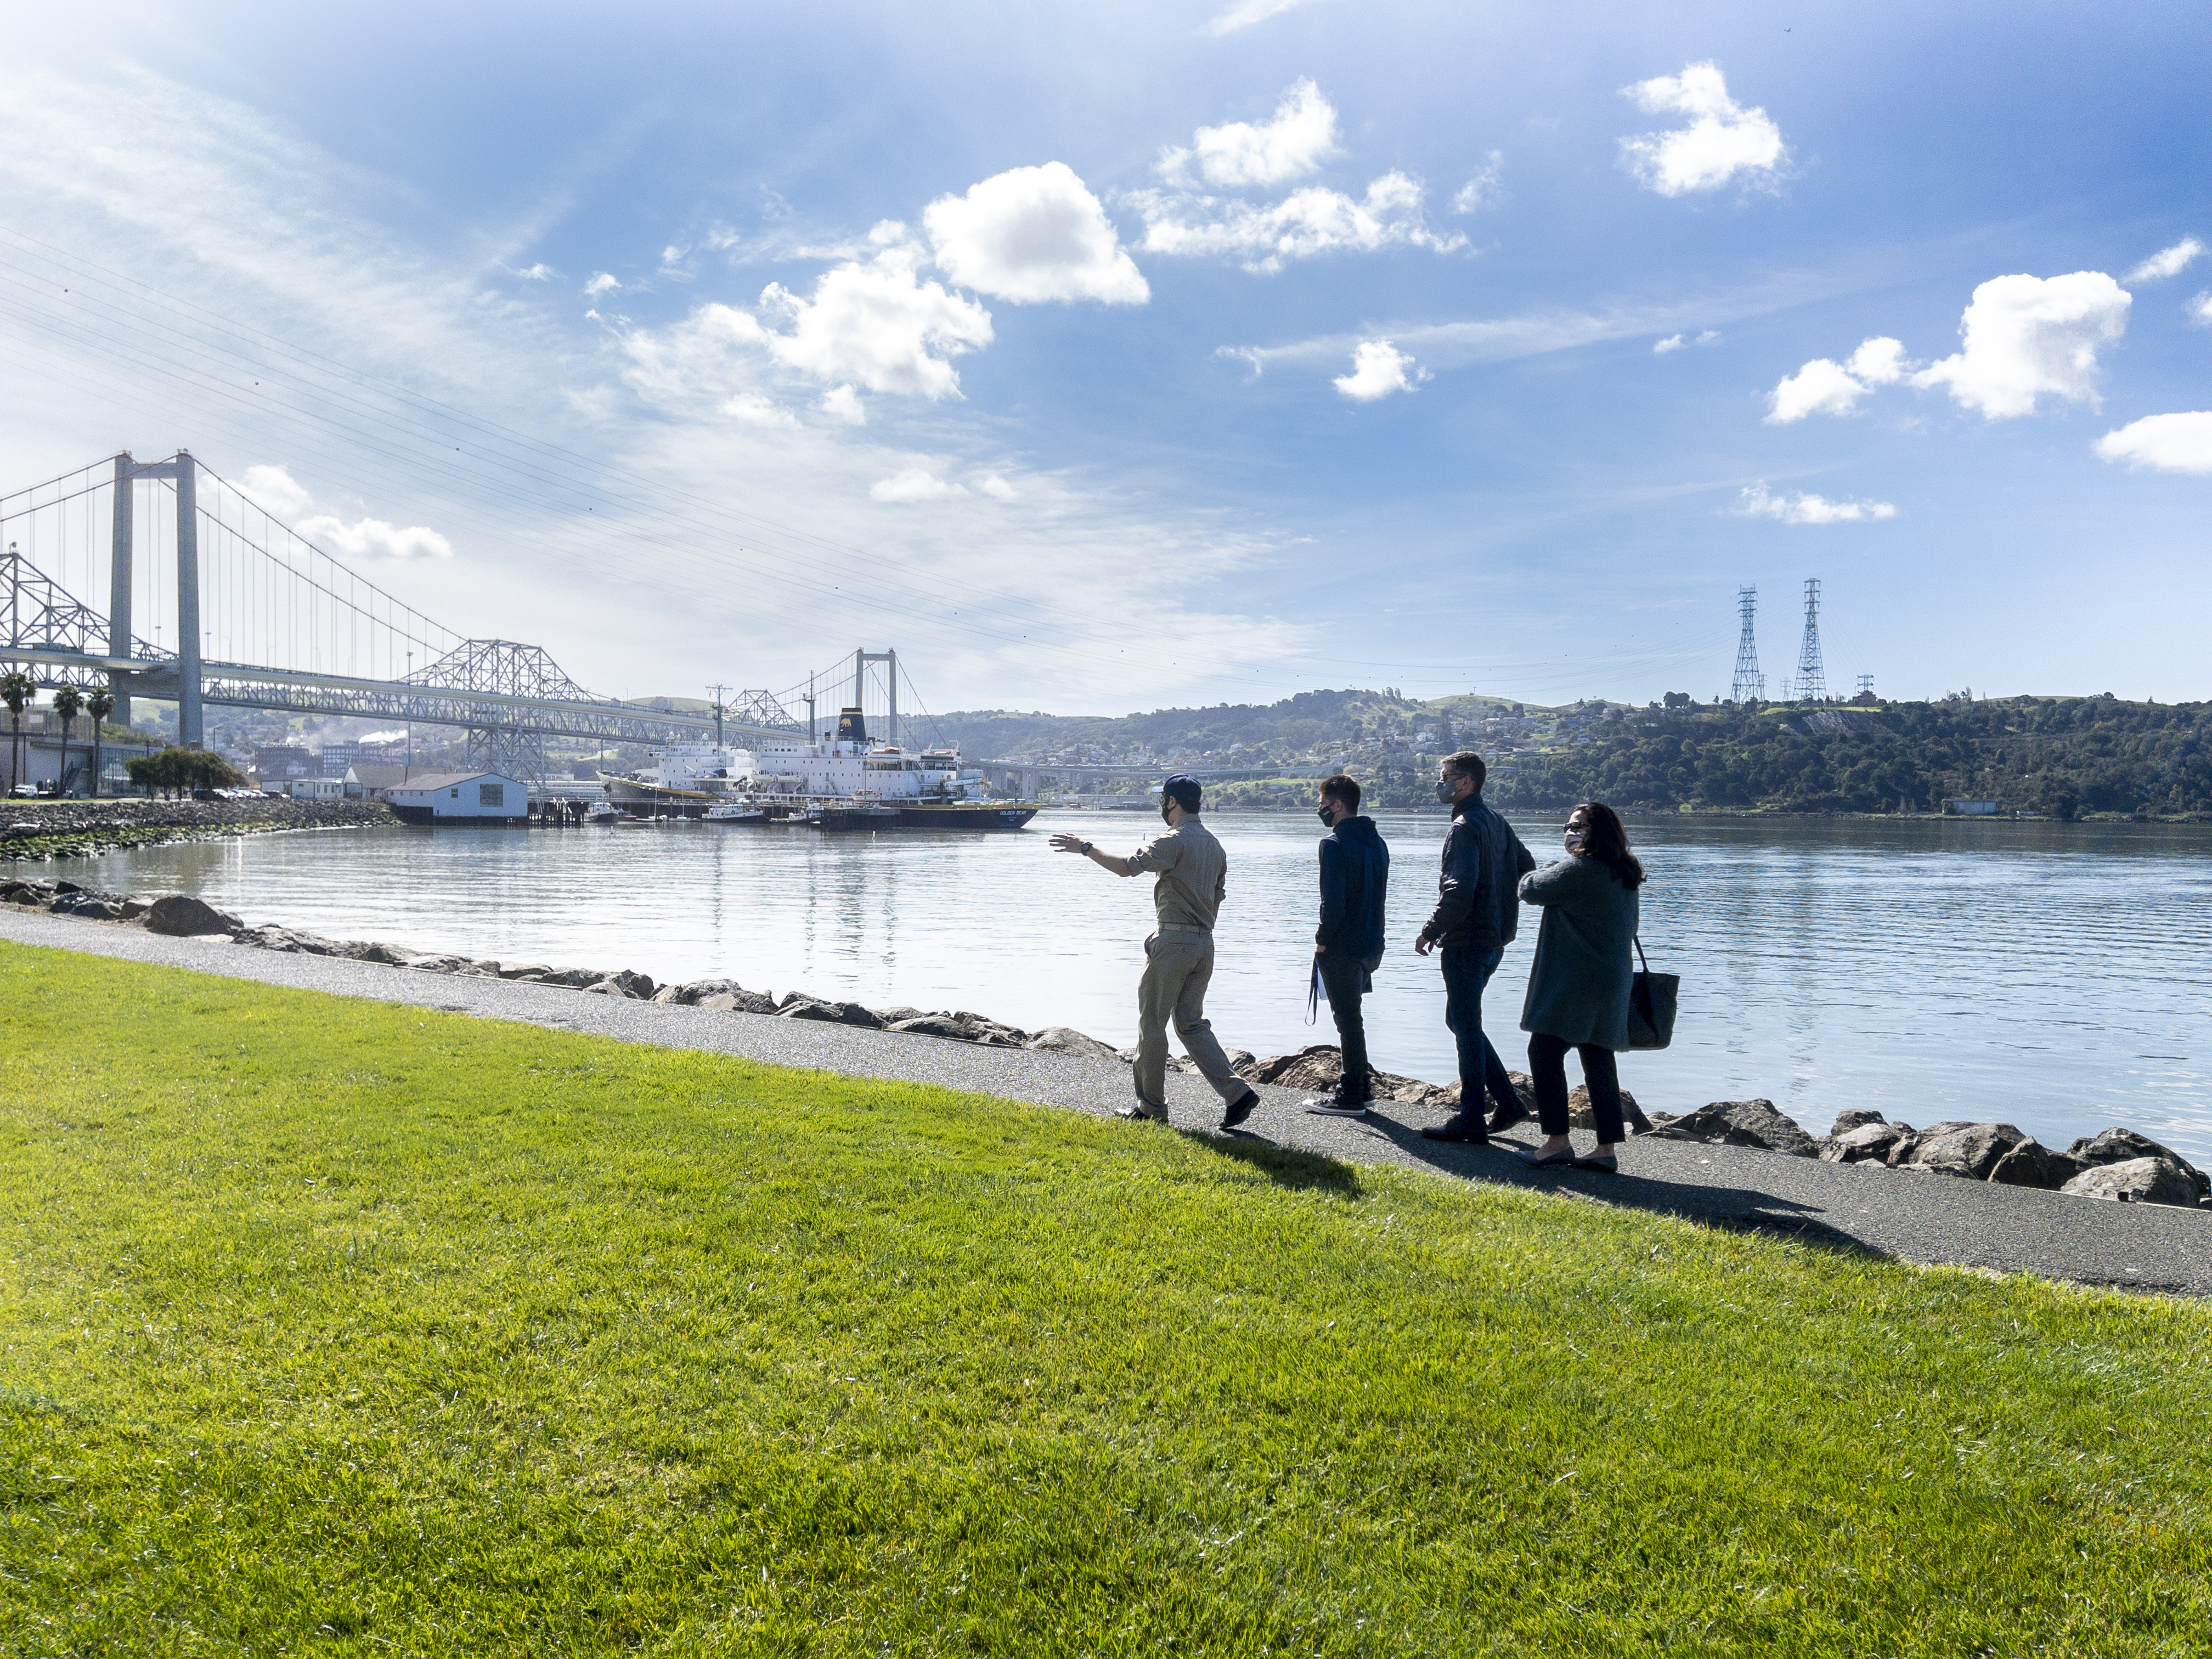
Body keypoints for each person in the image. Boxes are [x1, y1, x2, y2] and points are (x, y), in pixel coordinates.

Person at [1049, 775, 1263, 1130]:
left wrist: (1085, 847)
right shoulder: (1215, 845)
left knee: (1152, 1026)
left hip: (1173, 945)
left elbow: (1125, 867)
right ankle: (1237, 1093)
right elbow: (1218, 898)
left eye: (1163, 799)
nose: (1161, 806)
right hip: (1204, 944)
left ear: (1174, 803)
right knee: (1191, 1024)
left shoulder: (1175, 840)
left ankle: (1150, 1108)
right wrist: (1198, 929)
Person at [1413, 751, 1535, 1143]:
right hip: (1495, 940)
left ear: (1466, 782)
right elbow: (1526, 867)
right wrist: (1501, 903)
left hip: (1467, 941)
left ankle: (1470, 1117)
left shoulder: (1464, 826)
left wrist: (1432, 929)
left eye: (1445, 776)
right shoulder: (1498, 821)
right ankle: (1508, 1101)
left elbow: (1458, 887)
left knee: (1465, 1026)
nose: (1441, 783)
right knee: (1462, 1020)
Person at [1516, 800, 1644, 1173]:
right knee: (1598, 1060)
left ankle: (1557, 1142)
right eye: (1568, 828)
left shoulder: (1582, 869)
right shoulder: (1624, 872)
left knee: (1544, 1051)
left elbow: (1530, 887)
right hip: (1612, 981)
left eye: (1579, 827)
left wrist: (1552, 864)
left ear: (1598, 833)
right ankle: (1605, 1149)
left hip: (1577, 983)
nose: (1570, 833)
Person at [1305, 773, 1389, 1118]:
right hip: (1372, 945)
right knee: (1354, 1018)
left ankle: (1351, 1094)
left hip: (1342, 945)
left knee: (1348, 1020)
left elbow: (1333, 903)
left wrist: (1322, 941)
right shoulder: (1378, 843)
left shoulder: (1333, 844)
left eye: (1323, 802)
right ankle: (1362, 1088)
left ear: (1338, 805)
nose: (1320, 808)